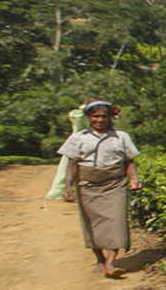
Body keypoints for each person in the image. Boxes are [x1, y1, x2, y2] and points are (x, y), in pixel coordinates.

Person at [58, 99, 142, 278]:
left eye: (104, 116)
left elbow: (129, 161)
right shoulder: (78, 138)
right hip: (88, 187)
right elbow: (72, 164)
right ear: (88, 117)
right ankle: (100, 259)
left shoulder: (121, 137)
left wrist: (133, 178)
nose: (100, 120)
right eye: (95, 116)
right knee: (92, 225)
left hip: (115, 185)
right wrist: (68, 186)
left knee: (117, 222)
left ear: (110, 117)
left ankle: (111, 263)